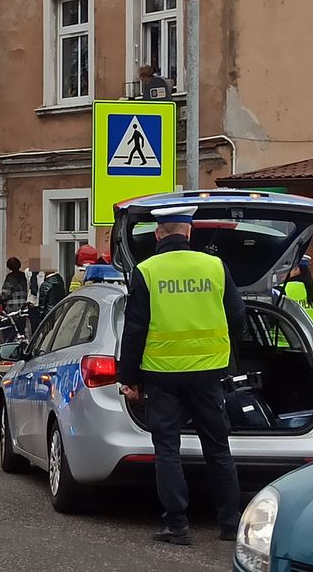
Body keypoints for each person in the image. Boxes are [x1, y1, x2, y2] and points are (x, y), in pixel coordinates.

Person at [118, 205, 245, 546]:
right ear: (188, 233)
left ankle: (177, 526)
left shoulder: (146, 270)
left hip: (162, 375)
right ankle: (230, 524)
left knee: (168, 451)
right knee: (218, 449)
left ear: (159, 233)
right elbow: (237, 316)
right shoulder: (215, 266)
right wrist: (231, 358)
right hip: (208, 374)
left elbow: (135, 329)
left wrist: (128, 378)